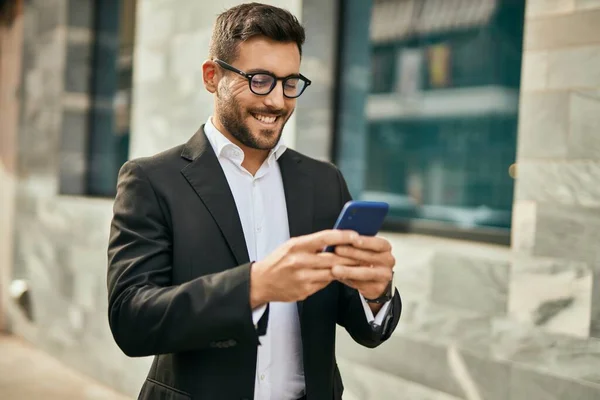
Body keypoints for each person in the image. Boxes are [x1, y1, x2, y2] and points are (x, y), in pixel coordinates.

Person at [106, 3, 401, 399]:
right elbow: (131, 319)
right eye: (260, 80)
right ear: (213, 77)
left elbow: (364, 326)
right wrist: (253, 286)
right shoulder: (152, 180)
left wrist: (376, 294)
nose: (278, 101)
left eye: (290, 82)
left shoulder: (323, 181)